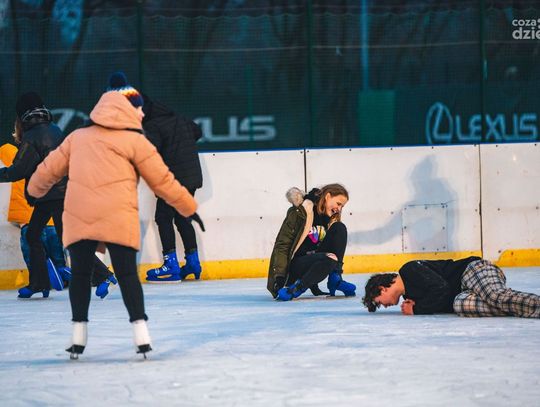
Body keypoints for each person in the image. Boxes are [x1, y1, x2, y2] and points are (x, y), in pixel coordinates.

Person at [27, 86, 197, 359]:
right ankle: (141, 335)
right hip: (118, 217)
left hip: (81, 216)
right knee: (127, 275)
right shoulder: (134, 141)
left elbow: (48, 169)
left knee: (80, 275)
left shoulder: (76, 138)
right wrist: (188, 207)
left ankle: (78, 336)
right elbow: (162, 179)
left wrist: (33, 191)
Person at [106, 71, 204, 282]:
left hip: (174, 179)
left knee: (163, 217)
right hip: (192, 176)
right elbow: (197, 132)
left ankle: (171, 265)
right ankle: (193, 262)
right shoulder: (176, 117)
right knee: (182, 218)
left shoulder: (152, 126)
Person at [0, 92, 68, 298]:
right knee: (45, 236)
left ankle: (100, 275)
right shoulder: (56, 130)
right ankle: (44, 281)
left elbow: (18, 170)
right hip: (60, 193)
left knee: (37, 237)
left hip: (48, 197)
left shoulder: (30, 137)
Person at [362, 257, 540, 318]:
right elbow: (445, 300)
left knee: (495, 296)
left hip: (472, 271)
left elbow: (442, 288)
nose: (384, 306)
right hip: (463, 293)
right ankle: (522, 308)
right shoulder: (410, 296)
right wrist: (416, 306)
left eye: (379, 302)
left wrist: (417, 309)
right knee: (461, 305)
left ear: (382, 289)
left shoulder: (409, 269)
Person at [267, 184, 357, 301]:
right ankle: (297, 288)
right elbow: (282, 245)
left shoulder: (328, 218)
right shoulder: (300, 212)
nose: (339, 209)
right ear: (327, 197)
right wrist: (279, 277)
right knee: (329, 258)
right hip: (294, 267)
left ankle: (335, 278)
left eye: (342, 206)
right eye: (338, 204)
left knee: (339, 228)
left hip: (316, 263)